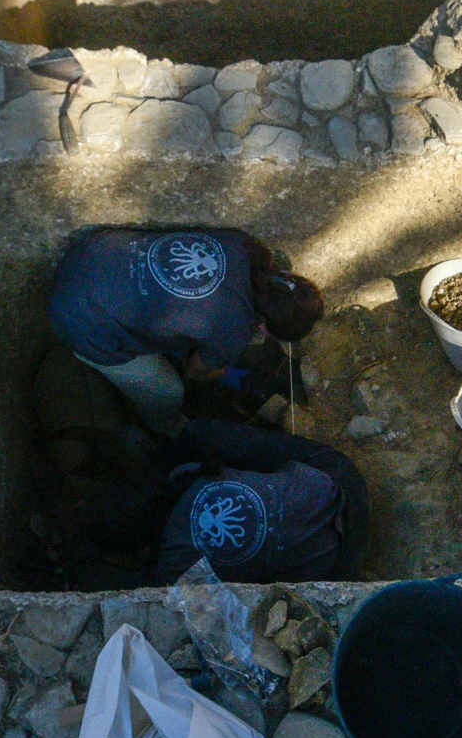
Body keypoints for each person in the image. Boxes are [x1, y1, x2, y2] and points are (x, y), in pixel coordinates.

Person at [48, 226, 324, 436]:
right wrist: (219, 370)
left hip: (90, 254)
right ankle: (165, 426)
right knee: (168, 391)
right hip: (80, 322)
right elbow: (196, 371)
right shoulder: (233, 331)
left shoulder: (243, 245)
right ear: (264, 327)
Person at [148, 419, 369, 584]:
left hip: (334, 569)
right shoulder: (188, 473)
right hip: (346, 485)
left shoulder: (171, 566)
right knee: (202, 434)